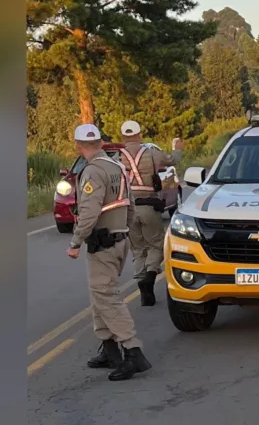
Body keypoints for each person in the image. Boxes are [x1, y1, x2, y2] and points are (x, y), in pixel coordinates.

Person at [67, 123, 152, 381]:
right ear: (102, 143)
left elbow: (89, 212)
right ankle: (109, 347)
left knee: (107, 296)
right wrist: (126, 230)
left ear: (78, 145)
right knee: (99, 294)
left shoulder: (92, 171)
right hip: (119, 239)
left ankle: (132, 350)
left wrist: (75, 242)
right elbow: (130, 204)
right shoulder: (117, 167)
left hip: (102, 242)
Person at [119, 120, 183, 306]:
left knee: (138, 249)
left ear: (123, 137)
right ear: (139, 135)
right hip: (149, 205)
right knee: (156, 245)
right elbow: (173, 161)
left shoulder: (117, 158)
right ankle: (150, 275)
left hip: (129, 209)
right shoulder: (152, 153)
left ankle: (142, 284)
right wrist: (177, 148)